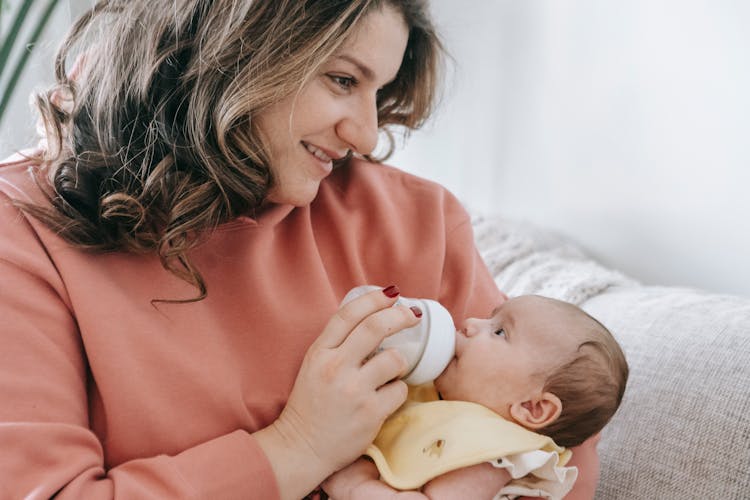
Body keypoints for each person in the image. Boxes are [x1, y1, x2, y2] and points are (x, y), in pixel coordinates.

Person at [0, 1, 599, 498]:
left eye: (378, 91)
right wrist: (299, 447)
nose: (365, 134)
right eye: (343, 79)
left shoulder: (419, 222)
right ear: (229, 48)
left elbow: (551, 436)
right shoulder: (21, 233)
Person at [322, 295, 628, 500]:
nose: (470, 323)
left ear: (532, 408)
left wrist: (355, 486)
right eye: (489, 318)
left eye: (499, 332)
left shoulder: (490, 457)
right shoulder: (436, 394)